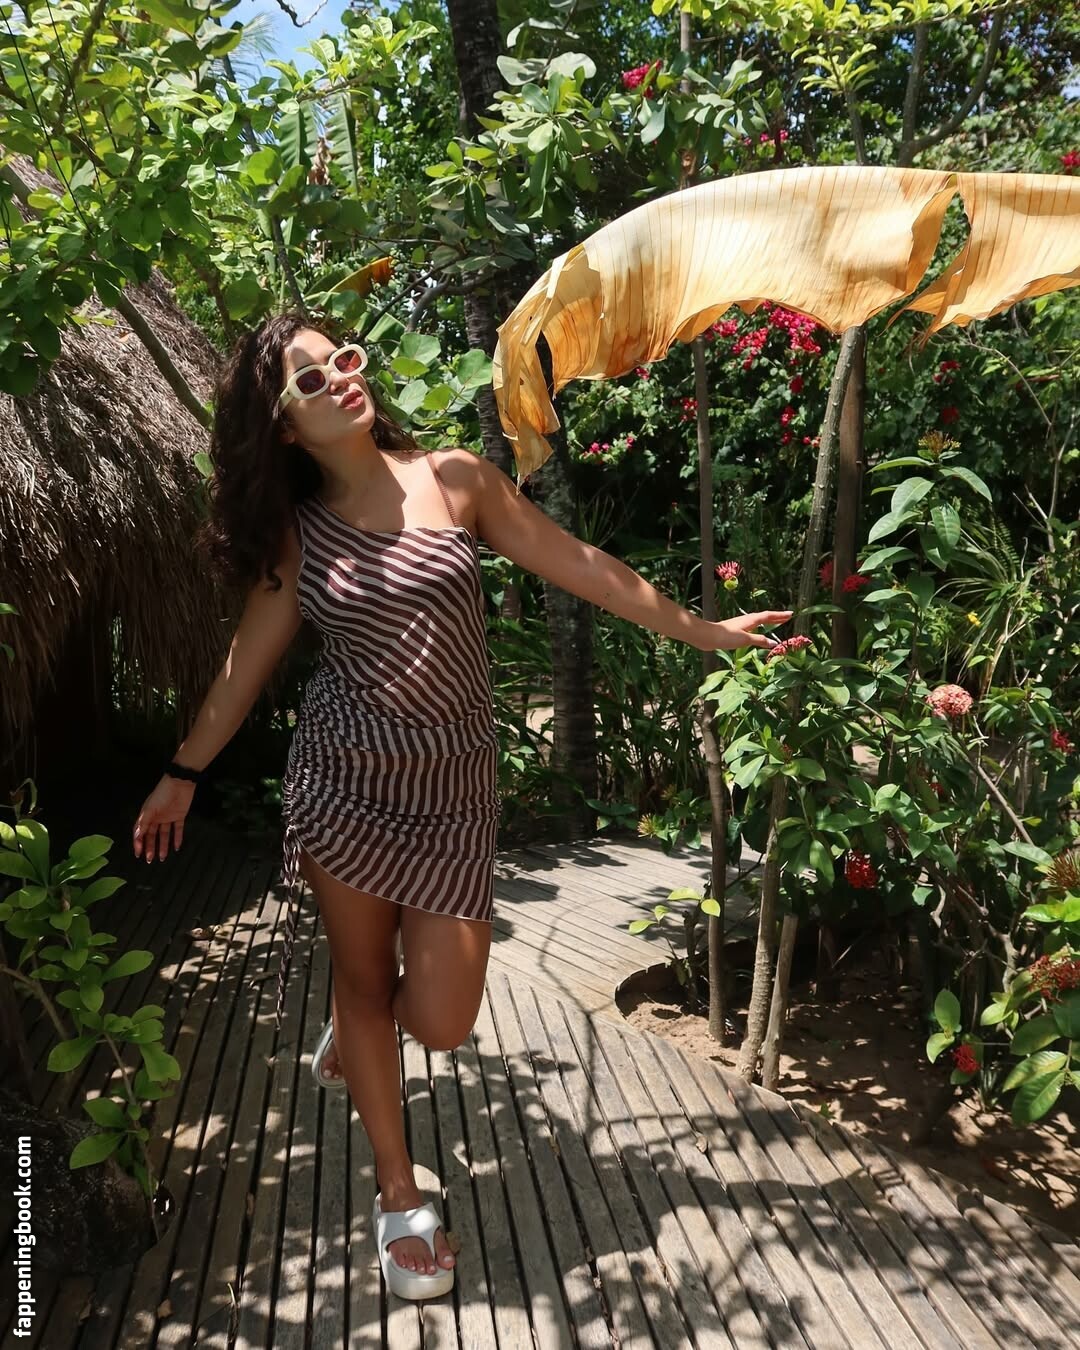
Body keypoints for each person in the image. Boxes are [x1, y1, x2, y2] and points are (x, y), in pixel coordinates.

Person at [132, 311, 793, 1300]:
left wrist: (702, 630)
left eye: (342, 358)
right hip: (346, 785)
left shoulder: (455, 480)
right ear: (283, 428)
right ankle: (399, 1192)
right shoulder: (297, 538)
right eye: (309, 380)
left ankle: (359, 1035)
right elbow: (242, 670)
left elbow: (582, 565)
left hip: (453, 791)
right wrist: (181, 771)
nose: (339, 378)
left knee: (441, 1021)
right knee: (364, 986)